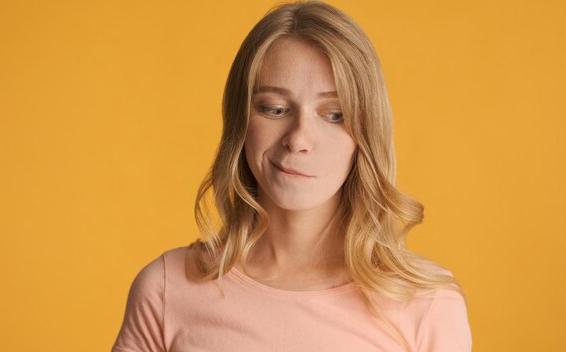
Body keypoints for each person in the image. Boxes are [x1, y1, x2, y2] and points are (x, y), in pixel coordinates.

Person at [111, 1, 472, 351]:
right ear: (240, 122)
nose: (298, 138)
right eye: (275, 108)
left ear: (366, 134)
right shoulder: (166, 288)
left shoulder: (428, 304)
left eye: (334, 115)